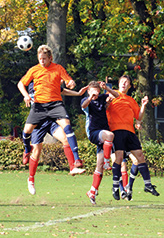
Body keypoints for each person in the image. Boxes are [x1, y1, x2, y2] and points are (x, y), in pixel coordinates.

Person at [18, 45, 82, 177]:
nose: (42, 61)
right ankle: (26, 149)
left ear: (50, 58)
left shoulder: (58, 68)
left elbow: (69, 81)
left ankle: (76, 160)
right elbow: (20, 84)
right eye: (40, 58)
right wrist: (26, 95)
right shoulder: (34, 70)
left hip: (55, 105)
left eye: (44, 59)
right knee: (26, 131)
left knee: (67, 127)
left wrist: (71, 83)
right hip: (39, 107)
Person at [25, 83, 87, 195]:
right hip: (38, 123)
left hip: (51, 121)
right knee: (36, 152)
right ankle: (31, 179)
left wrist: (77, 93)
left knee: (65, 138)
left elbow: (62, 91)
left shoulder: (50, 81)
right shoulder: (34, 84)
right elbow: (33, 97)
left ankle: (72, 167)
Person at [106, 74, 159, 200]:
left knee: (140, 156)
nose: (124, 84)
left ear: (129, 86)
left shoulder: (131, 100)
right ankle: (115, 187)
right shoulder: (112, 95)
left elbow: (138, 117)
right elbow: (104, 108)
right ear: (118, 84)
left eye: (127, 82)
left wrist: (144, 105)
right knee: (118, 158)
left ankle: (147, 184)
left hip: (130, 132)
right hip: (117, 130)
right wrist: (107, 99)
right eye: (122, 81)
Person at [81, 81, 119, 204]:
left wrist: (106, 88)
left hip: (103, 136)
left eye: (97, 91)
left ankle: (92, 191)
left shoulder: (102, 97)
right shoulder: (86, 100)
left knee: (99, 166)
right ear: (89, 91)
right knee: (110, 135)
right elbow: (83, 106)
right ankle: (108, 162)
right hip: (94, 132)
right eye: (92, 91)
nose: (95, 93)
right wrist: (91, 97)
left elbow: (116, 96)